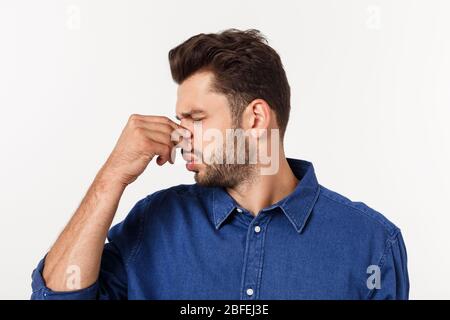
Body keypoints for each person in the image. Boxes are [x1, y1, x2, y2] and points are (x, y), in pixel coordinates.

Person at [31, 29, 409, 300]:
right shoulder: (154, 223)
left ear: (256, 119)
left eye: (196, 118)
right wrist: (112, 175)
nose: (180, 136)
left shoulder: (371, 243)